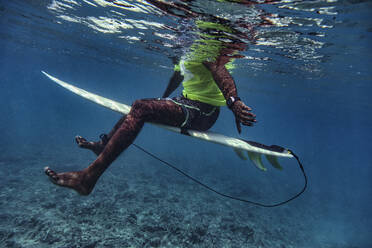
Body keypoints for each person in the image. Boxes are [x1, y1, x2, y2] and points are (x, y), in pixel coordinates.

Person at [44, 18, 257, 196]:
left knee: (140, 107)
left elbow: (220, 70)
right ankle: (103, 145)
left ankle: (88, 177)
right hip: (185, 102)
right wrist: (162, 100)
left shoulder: (206, 45)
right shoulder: (187, 50)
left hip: (204, 113)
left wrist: (233, 102)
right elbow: (178, 75)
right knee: (141, 106)